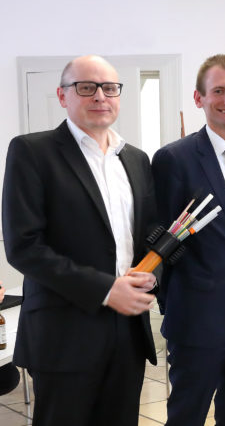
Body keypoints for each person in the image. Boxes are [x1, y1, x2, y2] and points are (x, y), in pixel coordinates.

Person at [2, 55, 158, 426]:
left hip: (128, 333)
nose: (100, 96)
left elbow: (148, 237)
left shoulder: (136, 159)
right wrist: (106, 289)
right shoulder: (32, 152)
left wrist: (153, 275)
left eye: (110, 88)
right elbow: (24, 246)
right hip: (64, 334)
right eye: (86, 87)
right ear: (62, 96)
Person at [151, 54, 225, 426]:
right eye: (218, 90)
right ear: (198, 97)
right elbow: (160, 242)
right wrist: (173, 303)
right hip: (195, 318)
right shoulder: (173, 159)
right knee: (186, 415)